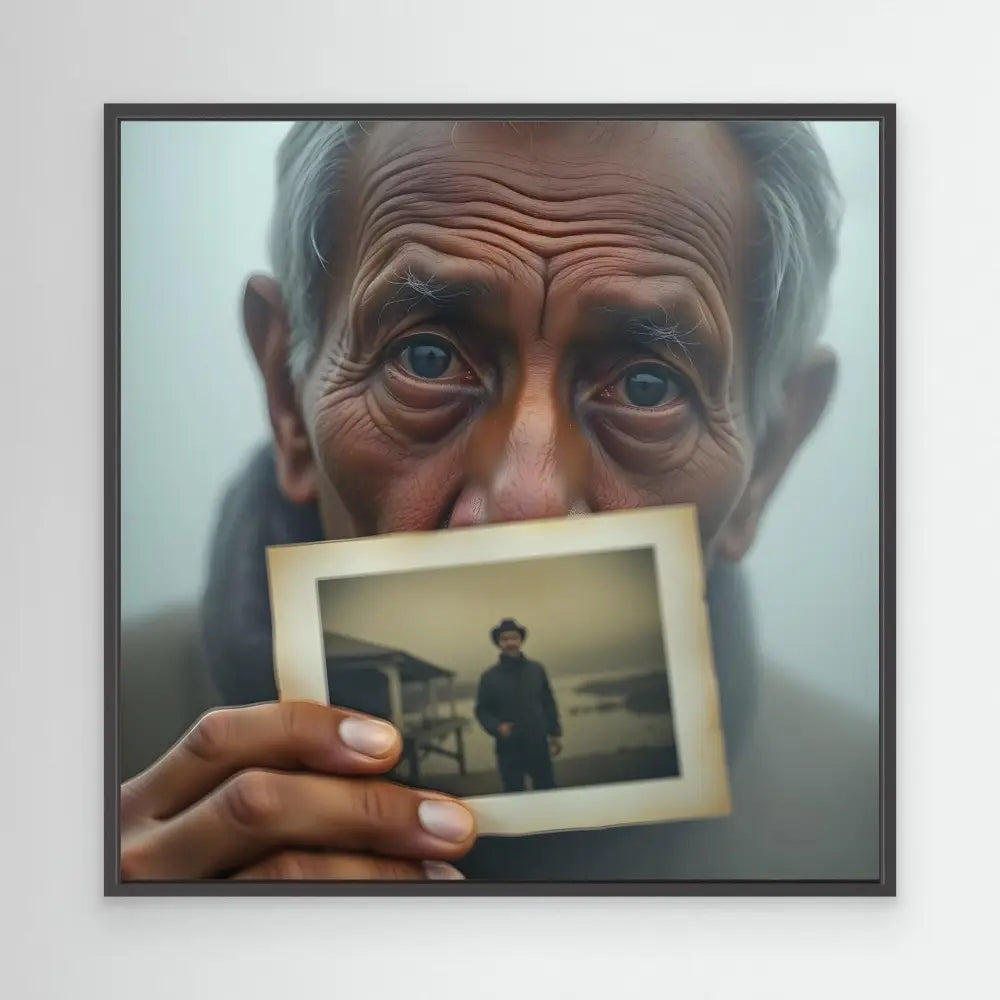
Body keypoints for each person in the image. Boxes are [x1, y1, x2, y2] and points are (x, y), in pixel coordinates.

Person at [120, 119, 879, 882]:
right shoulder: (64, 755)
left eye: (648, 387)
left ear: (769, 461)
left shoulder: (877, 829)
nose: (527, 505)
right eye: (427, 358)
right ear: (288, 394)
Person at [475, 619, 562, 792]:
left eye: (514, 638)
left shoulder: (536, 669)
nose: (510, 643)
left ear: (521, 641)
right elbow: (482, 710)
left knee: (547, 790)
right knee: (513, 793)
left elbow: (548, 702)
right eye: (505, 639)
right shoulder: (489, 677)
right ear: (499, 644)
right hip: (508, 746)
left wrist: (555, 734)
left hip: (537, 741)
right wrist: (497, 726)